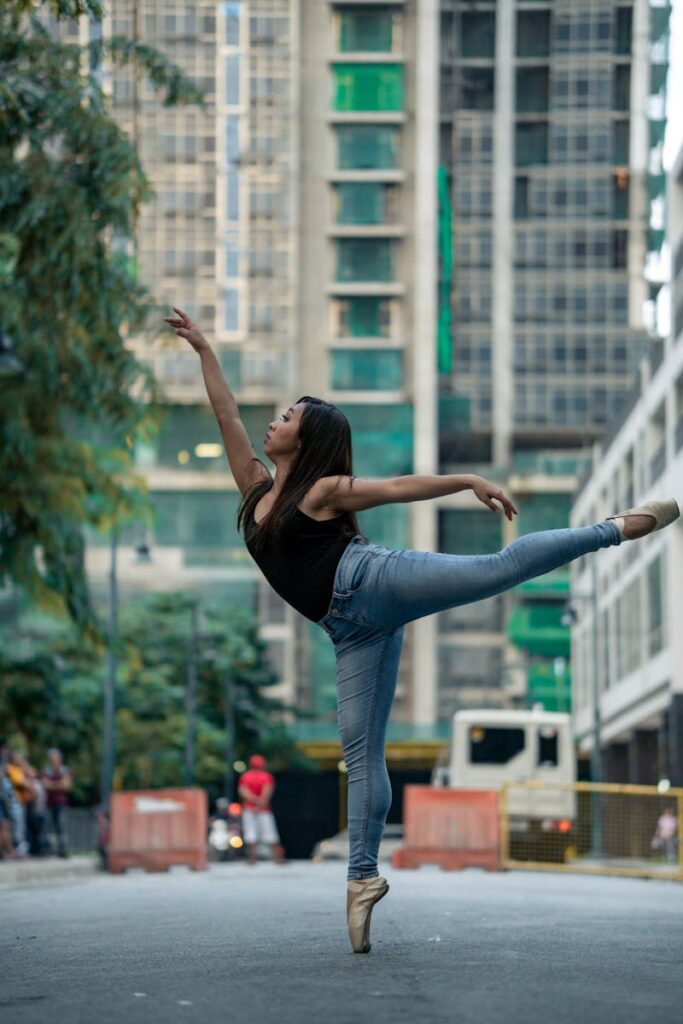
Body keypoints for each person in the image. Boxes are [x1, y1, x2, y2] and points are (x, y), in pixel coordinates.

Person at [164, 305, 680, 954]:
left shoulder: (321, 491)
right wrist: (205, 349)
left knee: (495, 569)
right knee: (360, 755)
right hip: (350, 633)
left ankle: (616, 529)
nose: (274, 421)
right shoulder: (254, 488)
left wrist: (466, 479)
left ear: (307, 438)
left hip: (374, 581)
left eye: (288, 416)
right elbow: (227, 415)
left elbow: (398, 487)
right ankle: (361, 881)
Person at [238, 755, 285, 866]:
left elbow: (243, 791)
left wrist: (253, 801)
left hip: (249, 809)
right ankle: (278, 858)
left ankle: (252, 858)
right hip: (264, 809)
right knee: (271, 834)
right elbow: (267, 792)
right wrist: (260, 803)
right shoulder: (266, 776)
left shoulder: (246, 776)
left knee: (250, 834)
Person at [42, 748, 72, 858]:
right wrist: (59, 784)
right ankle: (49, 850)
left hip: (61, 804)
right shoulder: (46, 771)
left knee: (61, 827)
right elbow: (45, 785)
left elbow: (67, 785)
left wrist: (52, 784)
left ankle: (63, 850)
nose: (53, 760)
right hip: (49, 804)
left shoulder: (65, 770)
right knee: (48, 828)